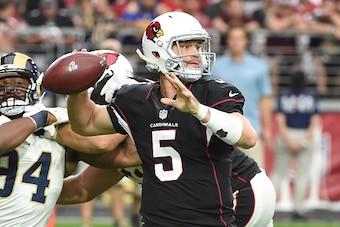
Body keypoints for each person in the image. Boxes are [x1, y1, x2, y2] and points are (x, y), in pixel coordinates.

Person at [63, 11, 257, 226]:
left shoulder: (213, 92)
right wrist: (77, 88)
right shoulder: (137, 98)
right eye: (185, 46)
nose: (194, 54)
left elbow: (248, 137)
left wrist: (198, 110)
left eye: (197, 46)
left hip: (211, 219)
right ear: (157, 52)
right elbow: (86, 123)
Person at [0, 51, 68, 226]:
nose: (10, 91)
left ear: (34, 86)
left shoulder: (55, 126)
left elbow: (100, 146)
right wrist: (41, 119)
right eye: (2, 86)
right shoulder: (46, 118)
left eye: (18, 84)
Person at [208, 25, 273, 168]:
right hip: (221, 132)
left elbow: (265, 99)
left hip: (251, 129)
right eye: (232, 38)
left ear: (246, 41)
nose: (236, 42)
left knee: (256, 179)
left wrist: (267, 129)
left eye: (239, 38)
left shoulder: (259, 67)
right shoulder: (215, 67)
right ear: (228, 41)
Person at [270, 69, 321, 221]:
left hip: (287, 134)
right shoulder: (311, 97)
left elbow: (280, 120)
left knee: (278, 172)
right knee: (302, 174)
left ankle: (268, 205)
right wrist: (305, 140)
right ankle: (298, 209)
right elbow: (315, 121)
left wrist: (288, 140)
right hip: (305, 135)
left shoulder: (284, 96)